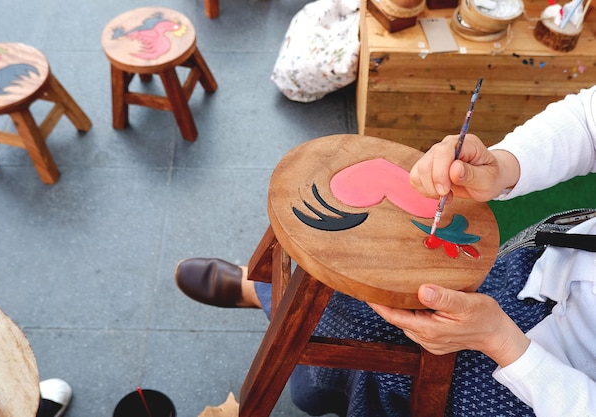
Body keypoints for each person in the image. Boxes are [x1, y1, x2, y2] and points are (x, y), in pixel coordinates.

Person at [174, 85, 596, 416]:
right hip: (551, 270)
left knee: (390, 366)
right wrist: (506, 165)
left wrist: (503, 343)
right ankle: (266, 294)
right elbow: (589, 121)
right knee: (370, 287)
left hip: (546, 389)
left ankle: (275, 308)